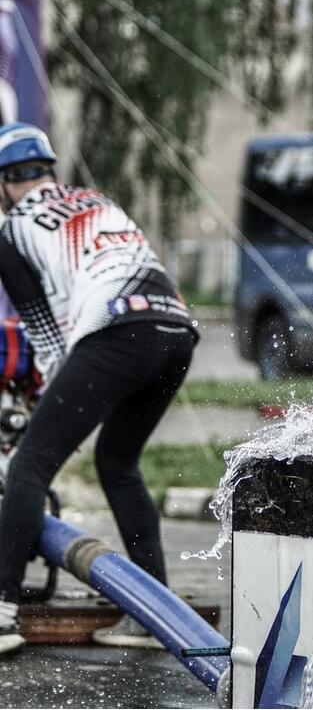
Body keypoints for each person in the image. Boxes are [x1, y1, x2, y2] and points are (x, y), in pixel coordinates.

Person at [0, 123, 199, 654]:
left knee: (30, 465)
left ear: (3, 184)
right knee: (117, 462)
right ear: (48, 171)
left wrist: (39, 409)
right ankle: (154, 616)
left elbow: (48, 336)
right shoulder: (94, 199)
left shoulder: (14, 227)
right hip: (178, 330)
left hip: (116, 330)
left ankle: (0, 615)